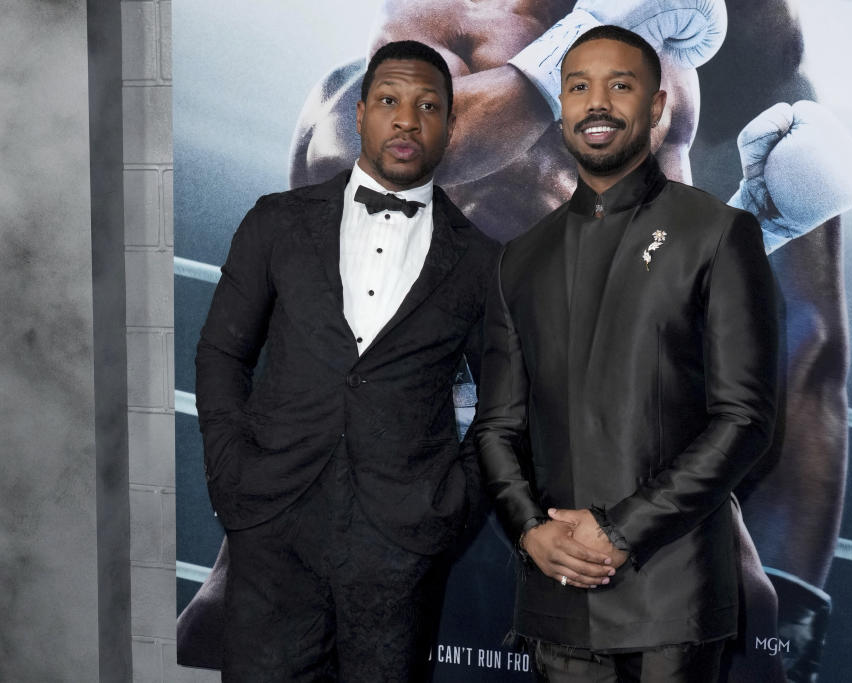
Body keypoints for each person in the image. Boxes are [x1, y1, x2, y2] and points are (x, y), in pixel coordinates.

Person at [474, 25, 780, 682]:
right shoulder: (520, 261)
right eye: (579, 86)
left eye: (621, 85)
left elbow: (745, 418)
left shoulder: (720, 232)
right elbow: (498, 426)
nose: (598, 103)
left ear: (659, 106)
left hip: (673, 603)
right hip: (557, 597)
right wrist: (531, 529)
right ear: (560, 104)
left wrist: (620, 529)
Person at [194, 39, 499, 680]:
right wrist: (231, 474)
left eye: (428, 106)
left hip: (402, 546)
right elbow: (222, 353)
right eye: (389, 101)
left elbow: (508, 404)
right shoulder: (276, 222)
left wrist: (454, 505)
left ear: (449, 123)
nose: (407, 121)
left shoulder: (480, 262)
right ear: (359, 113)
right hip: (273, 529)